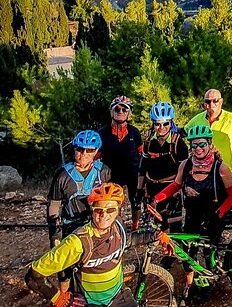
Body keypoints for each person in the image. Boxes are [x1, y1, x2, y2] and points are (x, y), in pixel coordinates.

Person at [153, 124, 232, 304]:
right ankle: (190, 283)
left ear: (209, 144)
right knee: (187, 252)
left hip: (214, 215)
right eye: (194, 145)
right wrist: (157, 198)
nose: (198, 149)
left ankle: (209, 281)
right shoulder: (186, 164)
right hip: (192, 214)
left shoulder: (221, 168)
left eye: (202, 145)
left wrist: (219, 213)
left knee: (208, 252)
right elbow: (175, 185)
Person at [26, 183, 139, 307]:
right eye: (98, 210)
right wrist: (58, 298)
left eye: (111, 210)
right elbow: (35, 275)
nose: (104, 215)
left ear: (118, 210)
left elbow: (129, 240)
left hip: (118, 296)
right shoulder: (78, 242)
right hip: (89, 303)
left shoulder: (118, 226)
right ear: (92, 210)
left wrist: (157, 235)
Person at [47, 129, 112, 291]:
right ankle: (64, 293)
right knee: (65, 265)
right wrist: (54, 234)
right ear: (74, 149)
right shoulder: (62, 175)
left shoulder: (103, 171)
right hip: (72, 226)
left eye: (89, 150)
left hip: (96, 224)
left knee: (98, 263)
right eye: (80, 149)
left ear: (96, 152)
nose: (84, 154)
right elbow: (53, 205)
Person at [137, 102, 188, 232]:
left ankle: (177, 251)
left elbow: (184, 172)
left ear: (171, 123)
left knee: (175, 227)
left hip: (171, 190)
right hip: (152, 188)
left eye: (165, 123)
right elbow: (143, 167)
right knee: (158, 228)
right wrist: (139, 190)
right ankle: (165, 251)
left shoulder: (179, 144)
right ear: (153, 124)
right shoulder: (148, 142)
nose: (161, 127)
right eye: (157, 124)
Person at [98, 96, 144, 230]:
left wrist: (144, 174)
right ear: (111, 111)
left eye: (125, 109)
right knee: (112, 201)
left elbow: (141, 154)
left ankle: (135, 225)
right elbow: (96, 155)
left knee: (135, 201)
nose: (120, 111)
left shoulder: (134, 132)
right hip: (111, 173)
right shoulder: (102, 133)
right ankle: (115, 225)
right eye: (117, 108)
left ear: (129, 112)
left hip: (132, 172)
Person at [185, 88, 232, 176]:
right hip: (203, 172)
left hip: (227, 172)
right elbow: (181, 133)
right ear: (204, 103)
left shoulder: (231, 119)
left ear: (221, 101)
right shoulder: (197, 119)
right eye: (207, 101)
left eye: (215, 100)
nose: (211, 104)